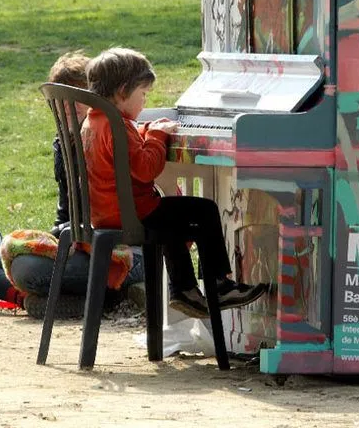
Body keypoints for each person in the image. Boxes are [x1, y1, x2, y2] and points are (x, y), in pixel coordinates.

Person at [82, 48, 266, 318]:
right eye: (142, 95)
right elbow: (146, 169)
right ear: (123, 92)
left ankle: (186, 291)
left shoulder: (96, 121)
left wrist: (146, 130)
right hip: (134, 214)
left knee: (173, 220)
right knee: (203, 211)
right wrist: (156, 136)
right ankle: (218, 285)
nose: (144, 102)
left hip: (107, 214)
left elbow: (124, 147)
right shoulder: (118, 127)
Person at [0, 51, 143, 319]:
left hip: (120, 251)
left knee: (27, 270)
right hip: (78, 242)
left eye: (78, 98)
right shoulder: (63, 144)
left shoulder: (111, 134)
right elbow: (66, 213)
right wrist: (56, 236)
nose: (70, 108)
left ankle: (74, 299)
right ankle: (35, 300)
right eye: (62, 102)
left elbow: (115, 213)